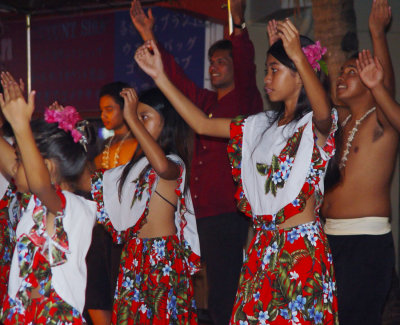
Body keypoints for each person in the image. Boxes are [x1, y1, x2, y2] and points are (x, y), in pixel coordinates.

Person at [134, 17, 339, 324]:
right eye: (267, 69)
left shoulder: (315, 125)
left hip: (300, 249)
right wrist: (161, 78)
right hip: (261, 248)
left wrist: (297, 54)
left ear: (300, 76)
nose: (266, 78)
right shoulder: (259, 125)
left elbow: (322, 111)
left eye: (274, 70)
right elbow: (202, 123)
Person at [130, 1, 263, 322]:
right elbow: (176, 80)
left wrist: (239, 24)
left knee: (224, 285)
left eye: (221, 61)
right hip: (195, 210)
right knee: (195, 281)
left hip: (226, 211)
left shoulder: (245, 99)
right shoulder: (205, 101)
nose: (214, 67)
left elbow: (246, 65)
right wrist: (149, 36)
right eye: (211, 62)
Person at [83, 88, 200, 324]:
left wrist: (132, 121)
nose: (138, 122)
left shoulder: (174, 164)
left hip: (162, 258)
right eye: (138, 117)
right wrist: (69, 138)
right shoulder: (135, 167)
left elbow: (161, 166)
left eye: (145, 117)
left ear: (167, 122)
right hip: (134, 255)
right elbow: (91, 180)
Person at [321, 1, 397, 324]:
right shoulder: (339, 126)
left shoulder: (380, 123)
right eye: (341, 72)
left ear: (369, 80)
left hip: (366, 242)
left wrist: (376, 34)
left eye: (352, 72)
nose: (342, 76)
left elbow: (388, 90)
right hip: (328, 238)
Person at [0, 72, 97, 324]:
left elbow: (41, 185)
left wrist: (22, 126)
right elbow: (22, 173)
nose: (14, 168)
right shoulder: (35, 203)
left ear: (47, 168)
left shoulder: (71, 207)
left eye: (21, 160)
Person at [94, 81, 138, 169]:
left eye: (109, 110)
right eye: (101, 111)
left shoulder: (137, 141)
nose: (103, 115)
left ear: (125, 108)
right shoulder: (107, 142)